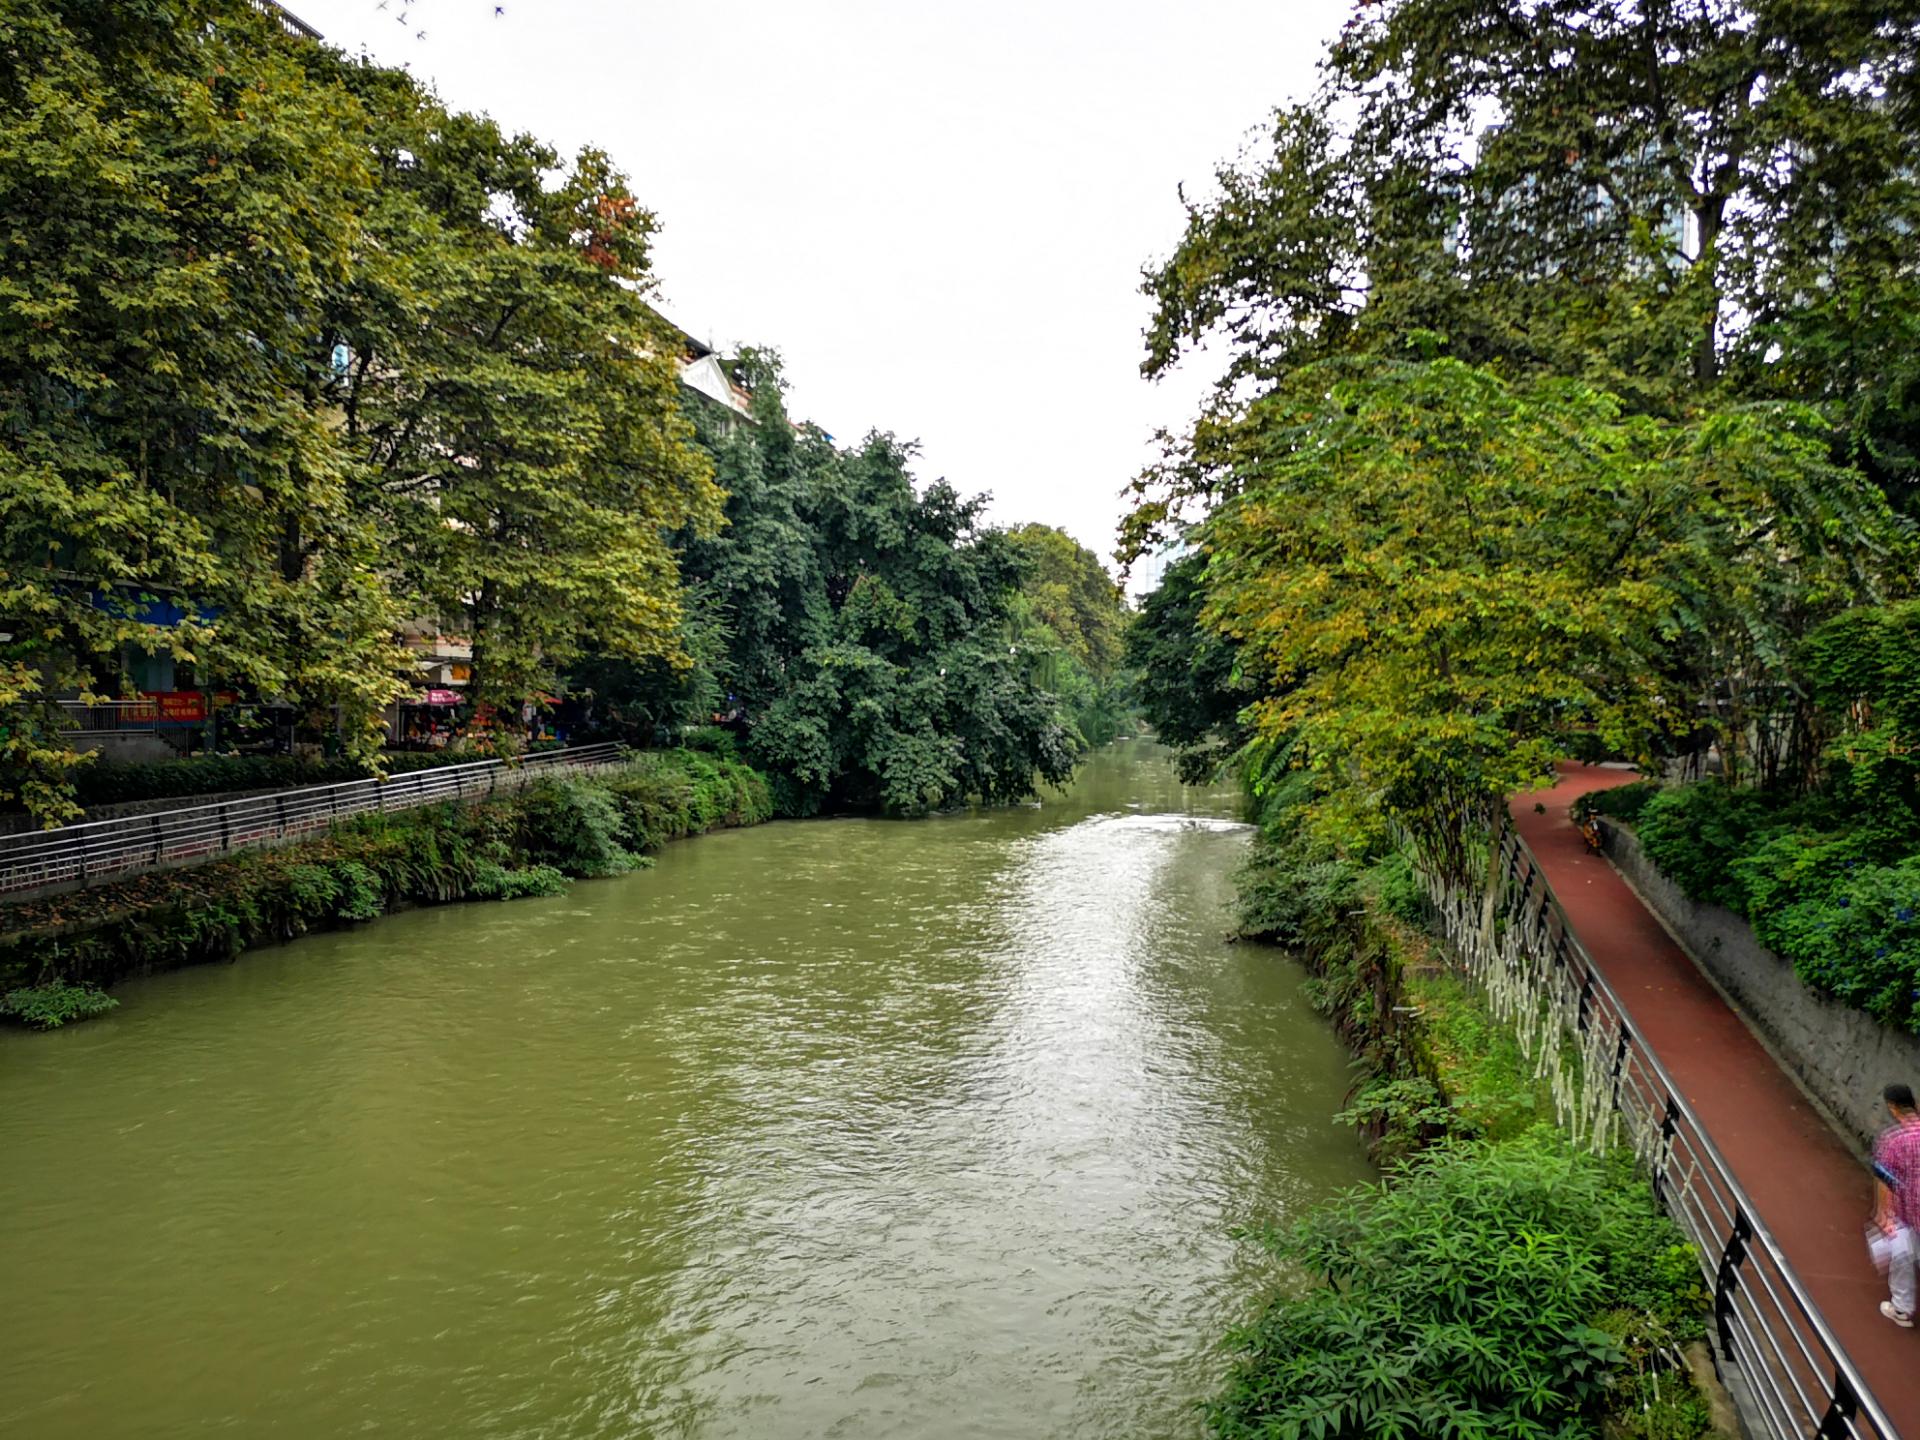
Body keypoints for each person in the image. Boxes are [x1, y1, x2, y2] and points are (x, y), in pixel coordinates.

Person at [1869, 1081, 1920, 1328]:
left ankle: (1902, 1308)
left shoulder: (1893, 1140)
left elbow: (1884, 1179)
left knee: (1902, 1256)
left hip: (1908, 1212)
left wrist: (1883, 1211)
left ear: (1892, 1107)